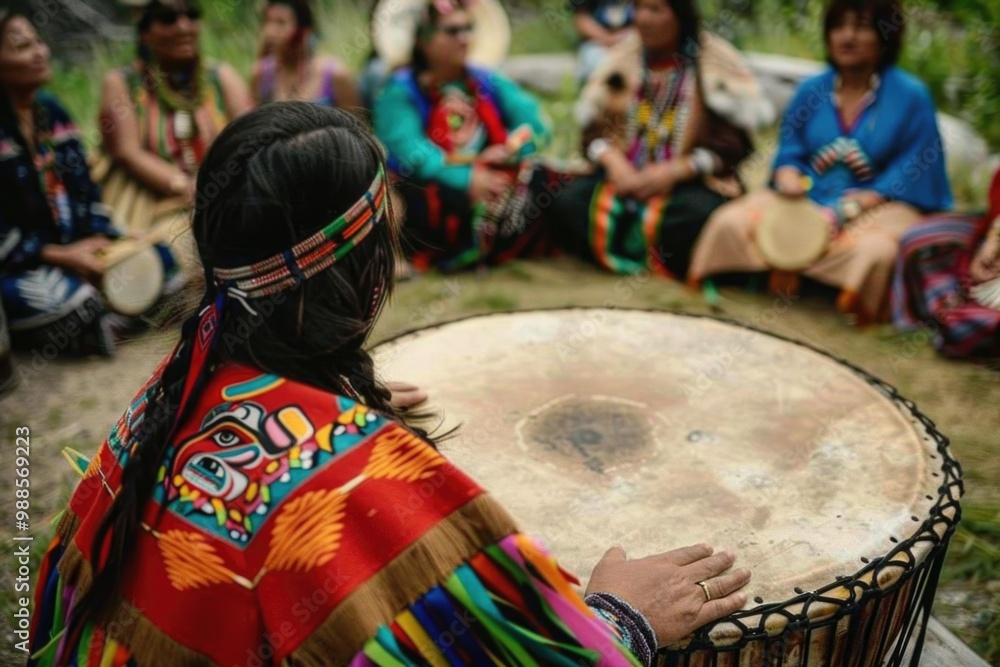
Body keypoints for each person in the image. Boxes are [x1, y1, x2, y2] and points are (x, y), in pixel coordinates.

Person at [28, 103, 751, 666]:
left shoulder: (173, 389)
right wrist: (621, 617)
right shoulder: (354, 484)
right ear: (368, 272)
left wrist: (323, 400)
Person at [688, 0, 953, 324]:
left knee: (874, 252)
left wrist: (860, 203)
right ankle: (759, 273)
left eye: (862, 27)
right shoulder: (812, 89)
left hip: (881, 202)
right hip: (810, 194)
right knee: (730, 221)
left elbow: (915, 166)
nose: (847, 37)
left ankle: (832, 288)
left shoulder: (911, 96)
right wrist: (788, 177)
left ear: (887, 35)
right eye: (839, 26)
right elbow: (790, 150)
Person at [0, 12, 178, 358]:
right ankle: (104, 318)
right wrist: (58, 255)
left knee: (163, 260)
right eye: (22, 46)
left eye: (38, 41)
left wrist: (106, 237)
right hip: (24, 264)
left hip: (76, 249)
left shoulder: (52, 112)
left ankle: (102, 320)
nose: (40, 52)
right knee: (75, 299)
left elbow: (85, 190)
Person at [550, 0, 756, 280]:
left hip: (685, 185)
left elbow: (733, 145)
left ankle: (656, 251)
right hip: (624, 179)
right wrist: (614, 163)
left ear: (680, 17)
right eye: (640, 8)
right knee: (569, 201)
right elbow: (591, 135)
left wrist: (676, 170)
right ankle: (631, 248)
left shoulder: (713, 62)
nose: (643, 19)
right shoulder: (621, 60)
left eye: (656, 10)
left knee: (703, 215)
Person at [373, 0, 559, 272]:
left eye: (468, 28)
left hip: (490, 173)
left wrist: (511, 149)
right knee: (440, 197)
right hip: (431, 187)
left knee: (544, 179)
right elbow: (414, 153)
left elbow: (536, 124)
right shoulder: (399, 92)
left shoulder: (485, 80)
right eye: (452, 31)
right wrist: (468, 177)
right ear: (423, 41)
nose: (464, 38)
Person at [97, 0, 251, 236]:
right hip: (150, 209)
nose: (184, 27)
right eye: (168, 19)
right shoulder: (122, 84)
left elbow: (250, 140)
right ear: (145, 33)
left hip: (224, 196)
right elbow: (127, 153)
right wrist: (187, 187)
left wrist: (219, 186)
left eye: (191, 15)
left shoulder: (221, 77)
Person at [891, 167, 1000, 358]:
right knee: (918, 239)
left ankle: (973, 325)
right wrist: (992, 240)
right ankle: (945, 314)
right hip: (988, 234)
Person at [251, 0, 360, 108]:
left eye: (281, 23)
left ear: (305, 31)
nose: (270, 32)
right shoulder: (262, 74)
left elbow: (355, 123)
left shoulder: (335, 75)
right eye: (267, 22)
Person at [569, 0, 635, 84]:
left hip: (629, 43)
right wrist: (609, 39)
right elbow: (581, 19)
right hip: (595, 44)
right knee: (600, 65)